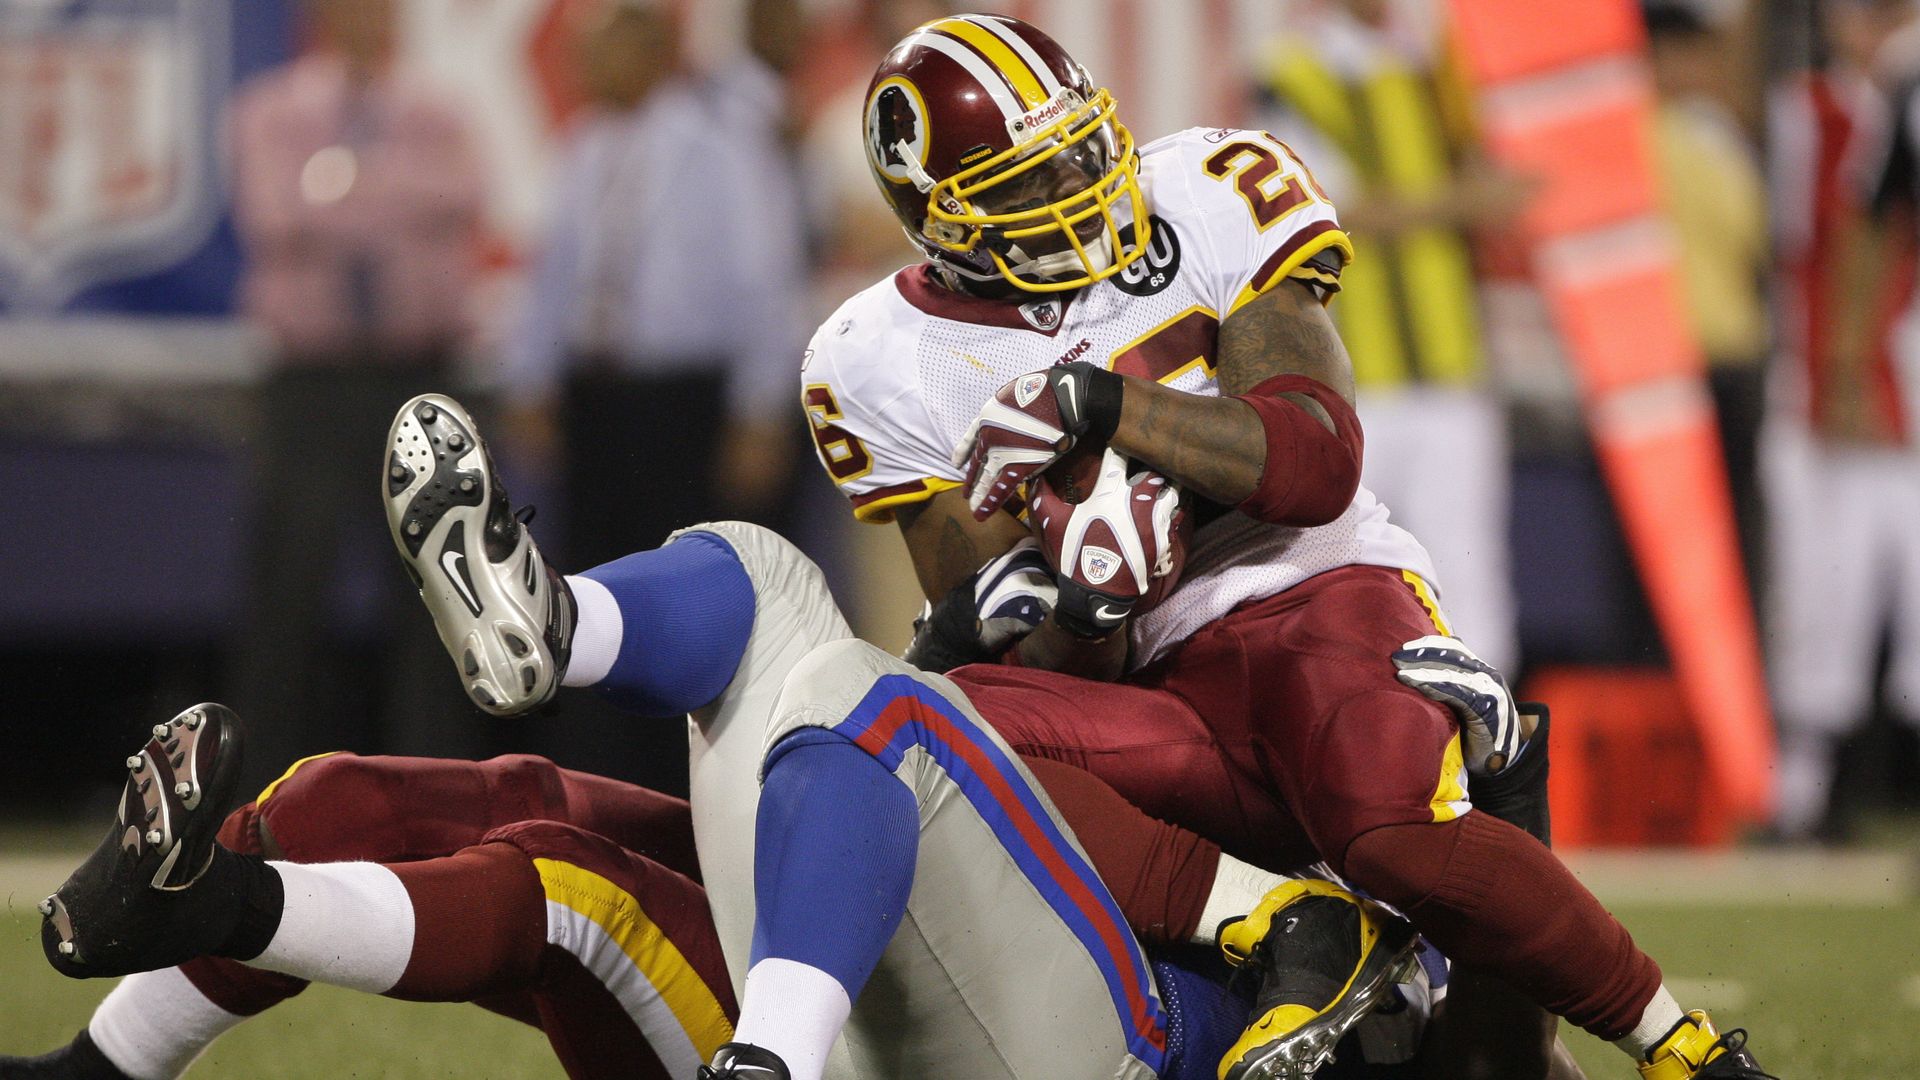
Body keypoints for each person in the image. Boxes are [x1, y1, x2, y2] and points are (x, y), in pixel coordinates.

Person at [796, 14, 1773, 1080]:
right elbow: (1008, 652)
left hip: (1313, 590)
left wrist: (1105, 407)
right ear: (941, 220)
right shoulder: (877, 361)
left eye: (1082, 150)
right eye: (1032, 183)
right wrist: (1088, 598)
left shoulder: (1211, 186)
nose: (1079, 187)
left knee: (1389, 835)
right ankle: (1284, 928)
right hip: (1155, 684)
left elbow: (1314, 465)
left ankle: (1685, 1050)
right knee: (939, 731)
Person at [226, 0, 488, 791]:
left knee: (438, 589)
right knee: (288, 591)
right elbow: (276, 212)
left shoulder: (439, 110)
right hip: (313, 381)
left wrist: (341, 186)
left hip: (419, 374)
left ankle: (439, 790)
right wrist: (399, 199)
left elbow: (466, 198)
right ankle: (264, 797)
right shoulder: (270, 108)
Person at [1254, 0, 1523, 672]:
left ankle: (1489, 764)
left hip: (1451, 364)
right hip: (1350, 377)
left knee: (1468, 574)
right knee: (1335, 572)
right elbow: (1321, 210)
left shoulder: (1436, 67)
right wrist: (1466, 199)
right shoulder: (1290, 70)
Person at [1766, 0, 1920, 842]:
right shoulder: (1806, 112)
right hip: (1831, 382)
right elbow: (1821, 246)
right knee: (1822, 593)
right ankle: (1802, 792)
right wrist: (1840, 369)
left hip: (1900, 377)